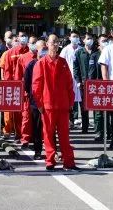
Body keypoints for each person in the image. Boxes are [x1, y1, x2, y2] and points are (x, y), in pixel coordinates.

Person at [32, 35, 79, 172]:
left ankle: (69, 161)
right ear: (47, 44)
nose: (55, 44)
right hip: (47, 106)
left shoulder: (63, 62)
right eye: (53, 42)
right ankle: (50, 160)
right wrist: (40, 105)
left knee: (65, 135)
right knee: (48, 134)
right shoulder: (41, 63)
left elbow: (70, 84)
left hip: (63, 105)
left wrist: (71, 102)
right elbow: (36, 86)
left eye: (57, 42)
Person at [22, 40, 47, 160]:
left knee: (50, 127)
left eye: (45, 48)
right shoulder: (32, 65)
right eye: (41, 48)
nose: (44, 51)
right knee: (37, 127)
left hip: (49, 100)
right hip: (35, 100)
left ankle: (51, 151)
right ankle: (38, 150)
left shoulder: (53, 62)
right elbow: (26, 84)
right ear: (36, 50)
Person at [73, 33, 97, 133]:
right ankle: (85, 127)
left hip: (96, 83)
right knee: (84, 106)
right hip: (83, 83)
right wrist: (78, 81)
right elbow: (76, 68)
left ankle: (97, 128)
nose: (89, 40)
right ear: (83, 40)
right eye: (87, 39)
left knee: (96, 105)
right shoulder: (79, 52)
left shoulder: (97, 52)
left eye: (91, 38)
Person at [60, 31, 83, 128]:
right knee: (70, 99)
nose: (75, 38)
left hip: (79, 78)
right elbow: (61, 63)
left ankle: (82, 120)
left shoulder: (81, 49)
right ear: (69, 38)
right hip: (68, 78)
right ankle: (71, 120)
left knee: (81, 99)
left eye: (77, 36)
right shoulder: (65, 50)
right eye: (73, 36)